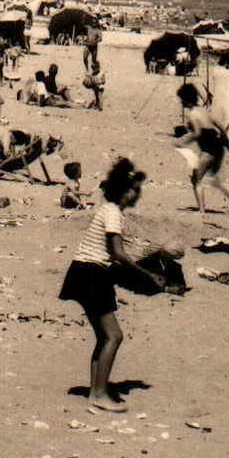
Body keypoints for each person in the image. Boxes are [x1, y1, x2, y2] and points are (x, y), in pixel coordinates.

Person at [57, 159, 152, 413]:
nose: (137, 194)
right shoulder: (112, 213)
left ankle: (95, 393)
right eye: (134, 189)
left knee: (103, 336)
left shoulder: (107, 209)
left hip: (83, 272)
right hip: (91, 273)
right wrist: (145, 274)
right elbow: (119, 253)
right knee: (114, 336)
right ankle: (99, 394)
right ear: (125, 191)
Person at [175, 82, 229, 214]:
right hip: (218, 147)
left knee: (196, 179)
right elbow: (221, 126)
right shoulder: (205, 110)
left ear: (186, 100)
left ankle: (201, 210)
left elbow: (198, 133)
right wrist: (227, 142)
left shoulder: (192, 114)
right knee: (216, 179)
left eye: (182, 100)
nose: (181, 103)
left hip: (208, 149)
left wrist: (184, 141)